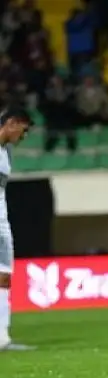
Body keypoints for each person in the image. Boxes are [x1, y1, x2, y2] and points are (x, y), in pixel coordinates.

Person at [0, 106, 33, 351]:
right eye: (23, 129)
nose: (24, 136)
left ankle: (2, 337)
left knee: (4, 275)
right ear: (11, 123)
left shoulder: (7, 151)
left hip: (1, 220)